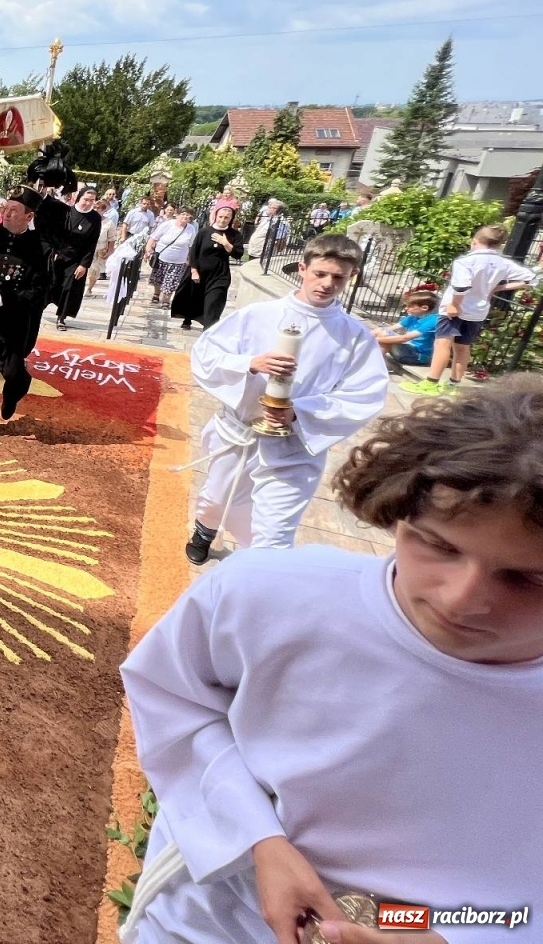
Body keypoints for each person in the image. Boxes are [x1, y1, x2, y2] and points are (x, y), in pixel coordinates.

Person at [121, 376, 543, 944]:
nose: (459, 598)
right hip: (205, 918)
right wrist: (256, 840)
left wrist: (451, 936)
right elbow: (173, 696)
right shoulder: (269, 594)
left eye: (528, 579)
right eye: (437, 545)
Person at [185, 234, 389, 562]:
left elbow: (364, 394)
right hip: (241, 433)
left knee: (275, 533)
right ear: (302, 268)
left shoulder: (355, 336)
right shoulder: (259, 314)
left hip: (295, 448)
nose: (327, 284)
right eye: (320, 274)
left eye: (339, 277)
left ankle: (259, 575)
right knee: (216, 498)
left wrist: (298, 413)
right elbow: (206, 354)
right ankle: (205, 530)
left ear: (351, 278)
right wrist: (250, 364)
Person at [0, 184, 73, 441]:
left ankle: (18, 386)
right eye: (6, 208)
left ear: (29, 216)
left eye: (14, 210)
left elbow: (40, 293)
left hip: (15, 320)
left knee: (12, 371)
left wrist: (4, 298)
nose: (7, 214)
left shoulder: (40, 247)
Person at [403, 225, 536, 397]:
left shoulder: (466, 262)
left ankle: (431, 382)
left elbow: (461, 286)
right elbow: (531, 279)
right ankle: (453, 385)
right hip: (478, 311)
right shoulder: (504, 263)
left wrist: (454, 305)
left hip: (455, 309)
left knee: (442, 344)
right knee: (463, 347)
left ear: (474, 241)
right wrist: (497, 287)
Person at [171, 205, 245, 330]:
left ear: (231, 219)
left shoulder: (234, 234)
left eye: (226, 218)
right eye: (220, 216)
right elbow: (194, 252)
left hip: (219, 274)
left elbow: (238, 254)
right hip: (199, 272)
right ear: (216, 216)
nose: (222, 220)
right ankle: (187, 318)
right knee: (193, 297)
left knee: (214, 301)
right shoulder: (204, 232)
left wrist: (226, 243)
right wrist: (194, 271)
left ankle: (208, 329)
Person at [48, 187, 103, 330]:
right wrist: (53, 252)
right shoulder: (67, 212)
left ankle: (61, 317)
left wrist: (84, 264)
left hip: (78, 258)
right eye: (86, 199)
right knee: (53, 284)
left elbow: (92, 243)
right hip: (60, 256)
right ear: (79, 198)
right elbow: (55, 234)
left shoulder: (95, 218)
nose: (88, 203)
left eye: (92, 200)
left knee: (69, 287)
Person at [374, 289, 439, 366]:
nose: (406, 308)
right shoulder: (413, 317)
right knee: (380, 330)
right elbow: (390, 329)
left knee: (385, 337)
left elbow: (404, 338)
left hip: (418, 355)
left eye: (410, 306)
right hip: (406, 348)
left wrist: (375, 339)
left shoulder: (432, 320)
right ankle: (375, 362)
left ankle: (376, 364)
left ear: (424, 308)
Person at [145, 209, 197, 306]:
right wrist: (148, 249)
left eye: (188, 215)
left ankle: (166, 301)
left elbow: (191, 246)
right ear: (177, 215)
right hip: (162, 257)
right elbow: (154, 237)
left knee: (171, 280)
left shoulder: (191, 229)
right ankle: (156, 294)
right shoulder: (168, 224)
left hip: (178, 260)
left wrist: (190, 260)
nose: (185, 217)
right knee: (158, 278)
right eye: (183, 214)